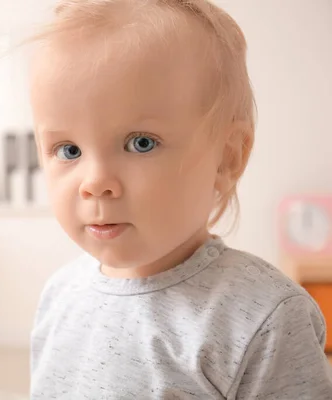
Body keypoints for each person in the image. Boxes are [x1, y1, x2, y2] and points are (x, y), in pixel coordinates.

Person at [26, 0, 332, 398]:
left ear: (227, 157)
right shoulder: (59, 295)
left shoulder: (266, 316)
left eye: (140, 143)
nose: (95, 183)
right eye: (68, 150)